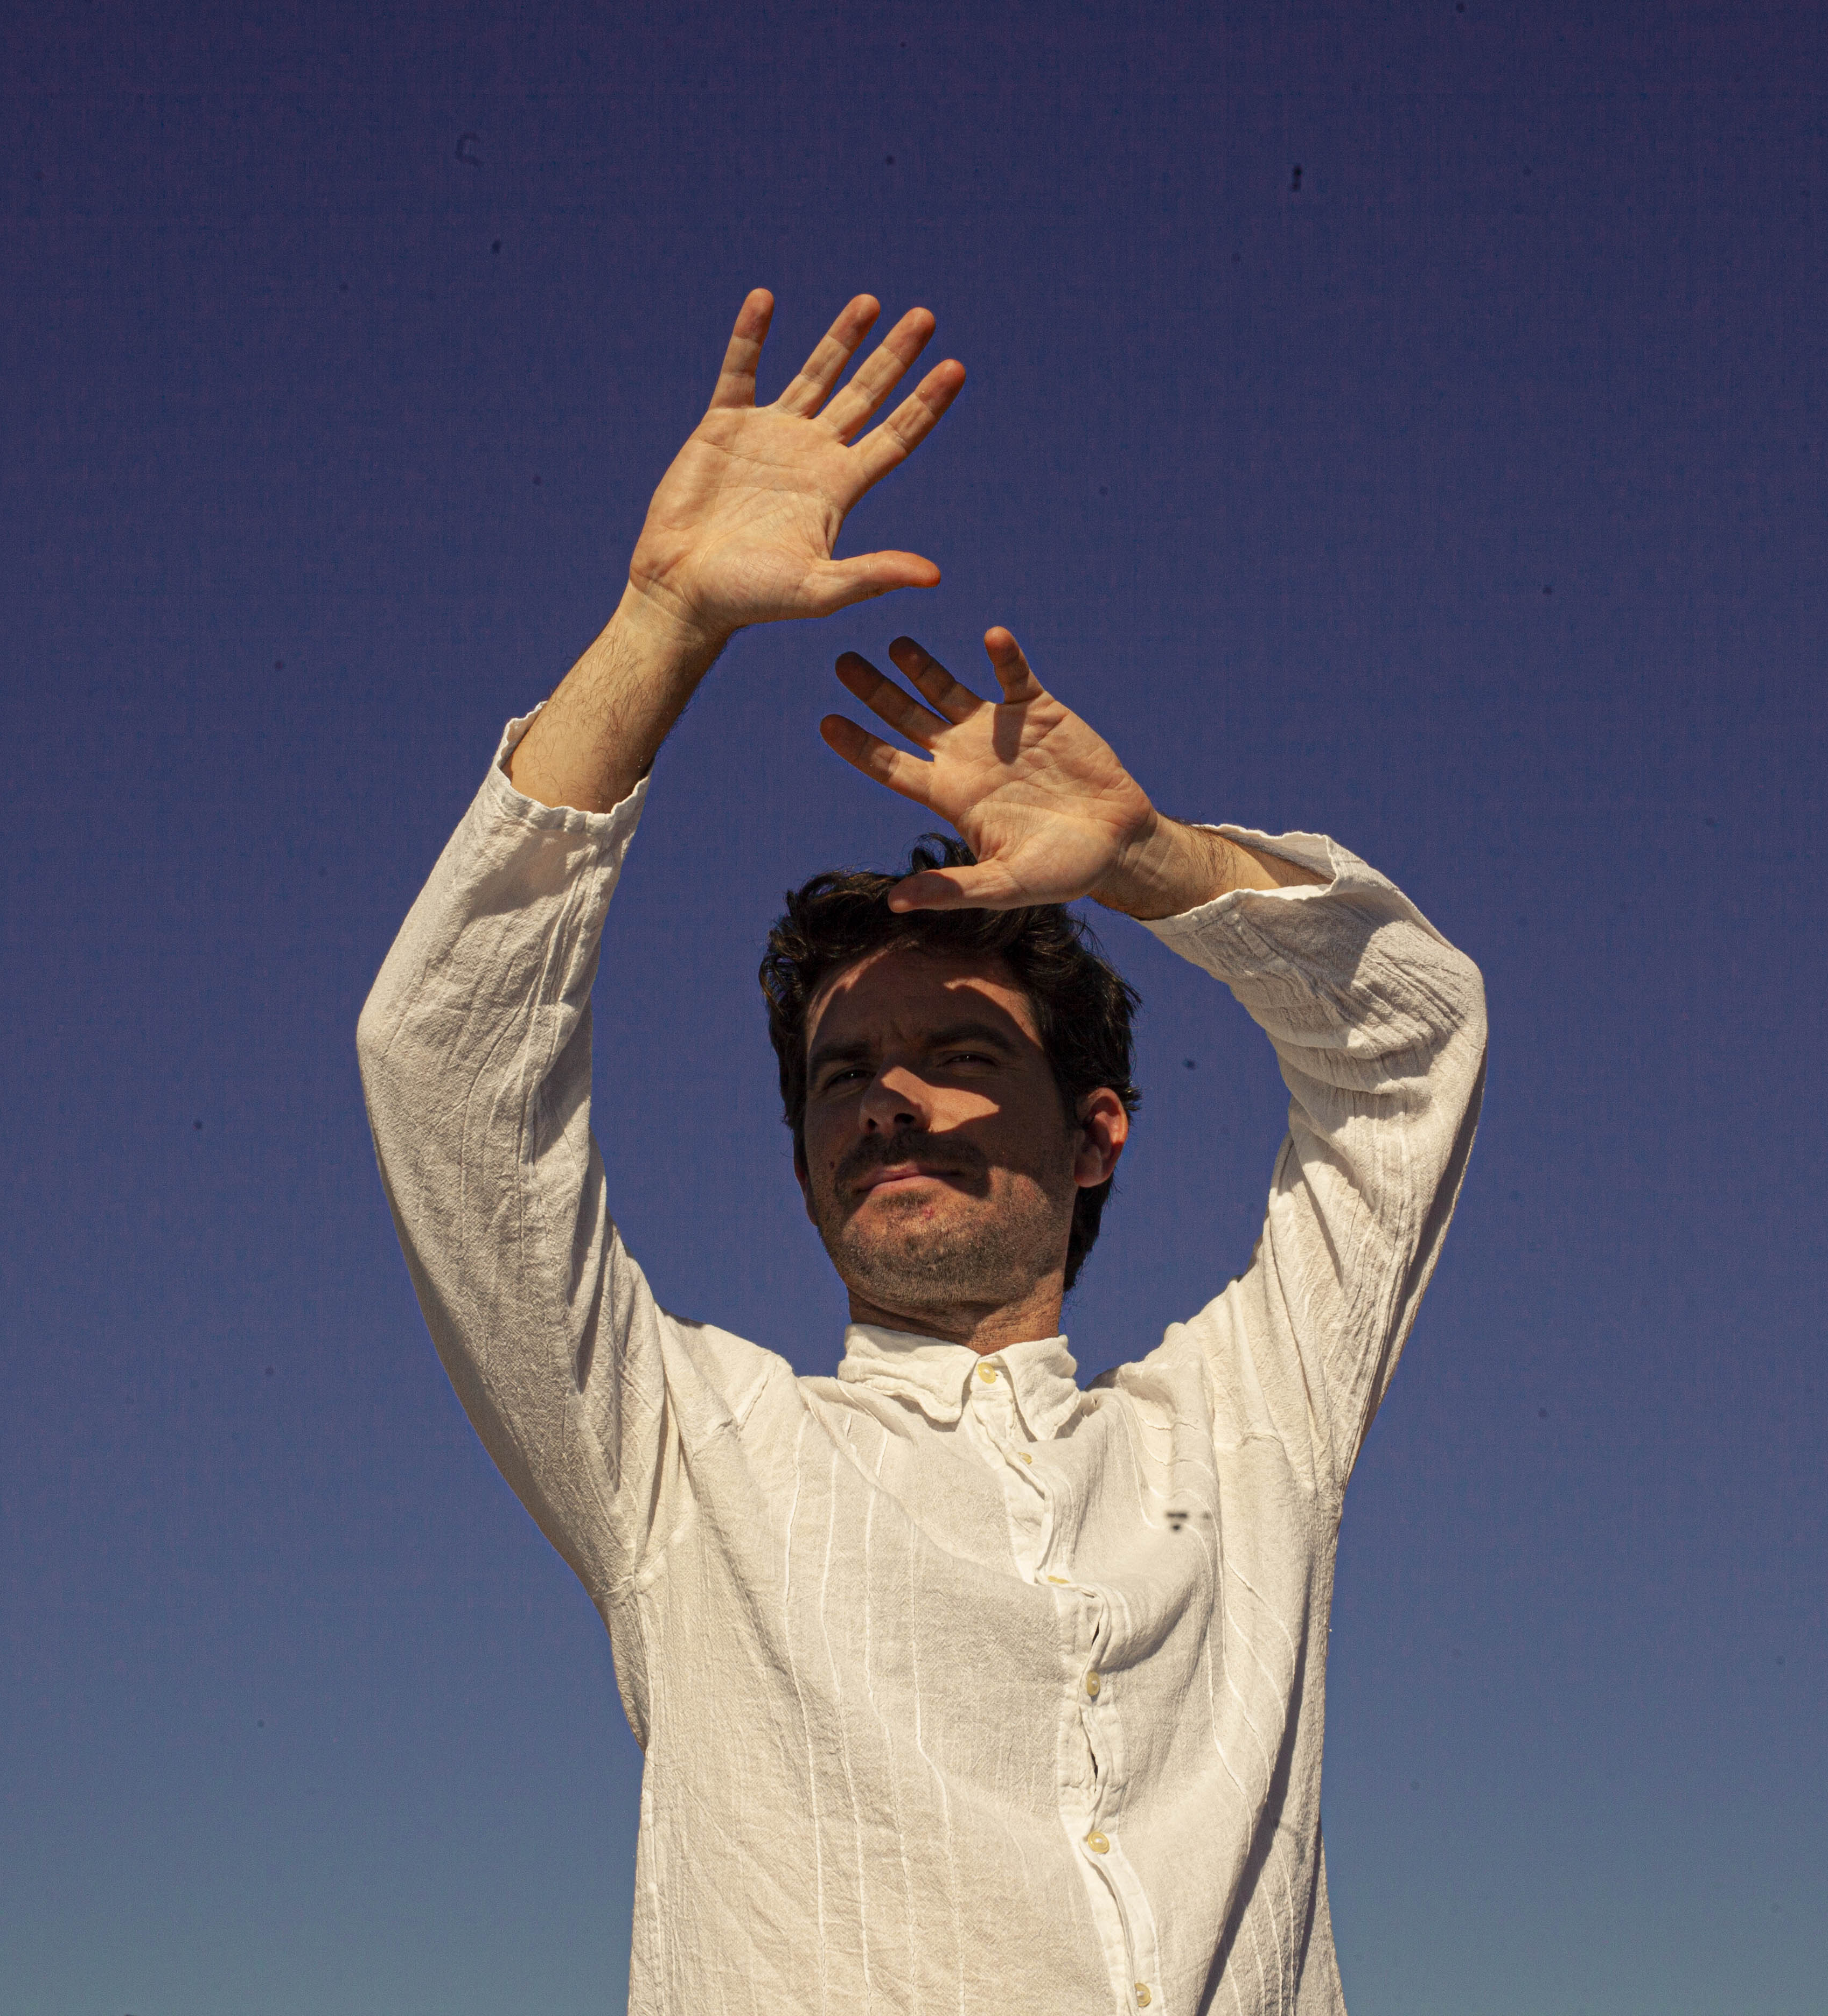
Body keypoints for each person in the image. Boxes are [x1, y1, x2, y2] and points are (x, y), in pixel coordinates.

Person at [357, 288, 1487, 2016]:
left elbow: (1409, 1047)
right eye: (843, 1079)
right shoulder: (686, 1459)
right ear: (805, 1160)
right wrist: (664, 622)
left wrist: (1151, 862)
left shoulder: (1246, 1430)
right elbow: (445, 1060)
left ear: (1095, 1134)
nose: (890, 1100)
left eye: (960, 1059)